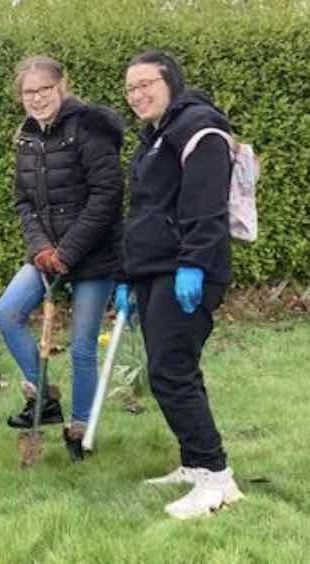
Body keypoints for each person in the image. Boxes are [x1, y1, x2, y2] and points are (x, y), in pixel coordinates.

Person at [115, 50, 243, 519]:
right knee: (175, 370)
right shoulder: (155, 137)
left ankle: (216, 478)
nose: (136, 95)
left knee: (170, 373)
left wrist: (194, 263)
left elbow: (205, 207)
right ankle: (195, 463)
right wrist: (127, 275)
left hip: (185, 272)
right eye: (129, 88)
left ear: (171, 81)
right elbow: (144, 214)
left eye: (145, 83)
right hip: (154, 271)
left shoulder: (200, 128)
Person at [0, 55, 124, 461]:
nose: (37, 99)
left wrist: (68, 252)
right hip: (48, 254)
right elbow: (24, 202)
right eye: (29, 92)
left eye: (44, 90)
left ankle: (79, 428)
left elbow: (107, 197)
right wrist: (42, 250)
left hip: (95, 255)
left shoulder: (90, 128)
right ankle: (45, 393)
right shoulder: (26, 136)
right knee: (7, 312)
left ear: (61, 86)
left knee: (83, 346)